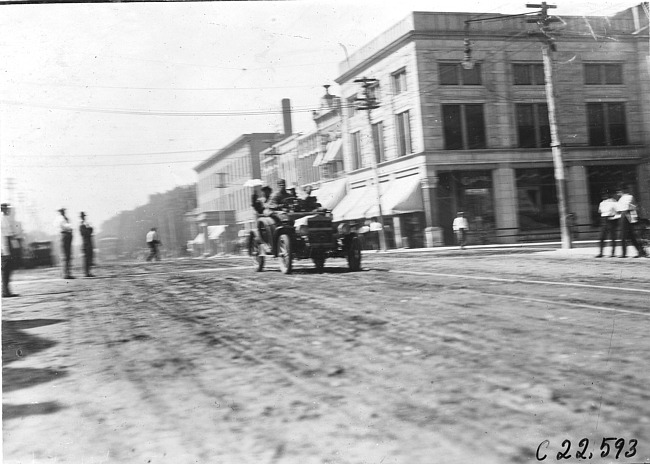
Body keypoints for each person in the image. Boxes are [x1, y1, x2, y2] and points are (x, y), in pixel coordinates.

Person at [615, 185, 646, 258]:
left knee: (623, 236)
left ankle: (624, 253)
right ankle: (641, 251)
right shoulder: (622, 198)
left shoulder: (628, 197)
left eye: (619, 191)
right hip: (624, 215)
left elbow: (632, 208)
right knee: (631, 236)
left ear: (622, 191)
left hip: (625, 215)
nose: (618, 192)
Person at [596, 190, 619, 258]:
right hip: (604, 220)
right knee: (602, 237)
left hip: (611, 220)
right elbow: (600, 211)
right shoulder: (601, 203)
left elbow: (617, 210)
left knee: (612, 237)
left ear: (608, 194)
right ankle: (601, 252)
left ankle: (613, 253)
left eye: (605, 194)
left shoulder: (613, 201)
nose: (604, 196)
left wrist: (614, 217)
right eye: (603, 194)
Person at [2, 203, 18, 297]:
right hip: (4, 246)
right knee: (6, 269)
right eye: (5, 209)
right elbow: (7, 234)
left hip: (7, 245)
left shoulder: (6, 218)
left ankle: (6, 290)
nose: (8, 210)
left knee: (8, 269)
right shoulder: (3, 218)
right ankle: (5, 291)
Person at [57, 208, 74, 279]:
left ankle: (68, 273)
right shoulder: (60, 219)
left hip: (67, 236)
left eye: (63, 211)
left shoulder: (66, 219)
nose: (63, 212)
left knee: (68, 256)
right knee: (65, 256)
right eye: (62, 211)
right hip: (64, 235)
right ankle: (65, 274)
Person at [79, 212, 94, 277]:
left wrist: (89, 230)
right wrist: (89, 230)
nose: (83, 217)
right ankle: (86, 272)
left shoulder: (85, 224)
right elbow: (86, 232)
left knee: (89, 257)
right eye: (83, 216)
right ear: (81, 217)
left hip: (88, 241)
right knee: (86, 258)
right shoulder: (82, 225)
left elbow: (91, 230)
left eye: (84, 216)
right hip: (85, 242)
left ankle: (88, 272)